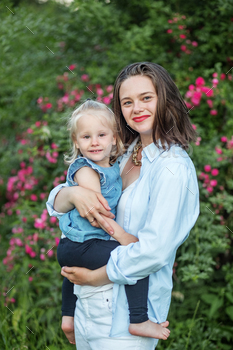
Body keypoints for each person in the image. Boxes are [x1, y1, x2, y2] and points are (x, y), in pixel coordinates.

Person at [47, 62, 200, 350]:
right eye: (127, 102)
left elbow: (153, 251)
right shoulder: (125, 153)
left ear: (164, 99)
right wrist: (73, 195)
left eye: (146, 98)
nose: (136, 108)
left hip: (125, 320)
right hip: (88, 307)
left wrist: (94, 276)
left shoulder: (173, 167)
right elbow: (65, 198)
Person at [56, 99, 170, 344]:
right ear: (76, 142)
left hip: (74, 246)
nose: (95, 142)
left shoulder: (113, 165)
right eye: (86, 137)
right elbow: (98, 214)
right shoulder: (85, 169)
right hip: (82, 244)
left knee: (73, 270)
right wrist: (123, 238)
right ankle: (139, 319)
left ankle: (68, 317)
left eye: (101, 135)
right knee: (134, 259)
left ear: (114, 139)